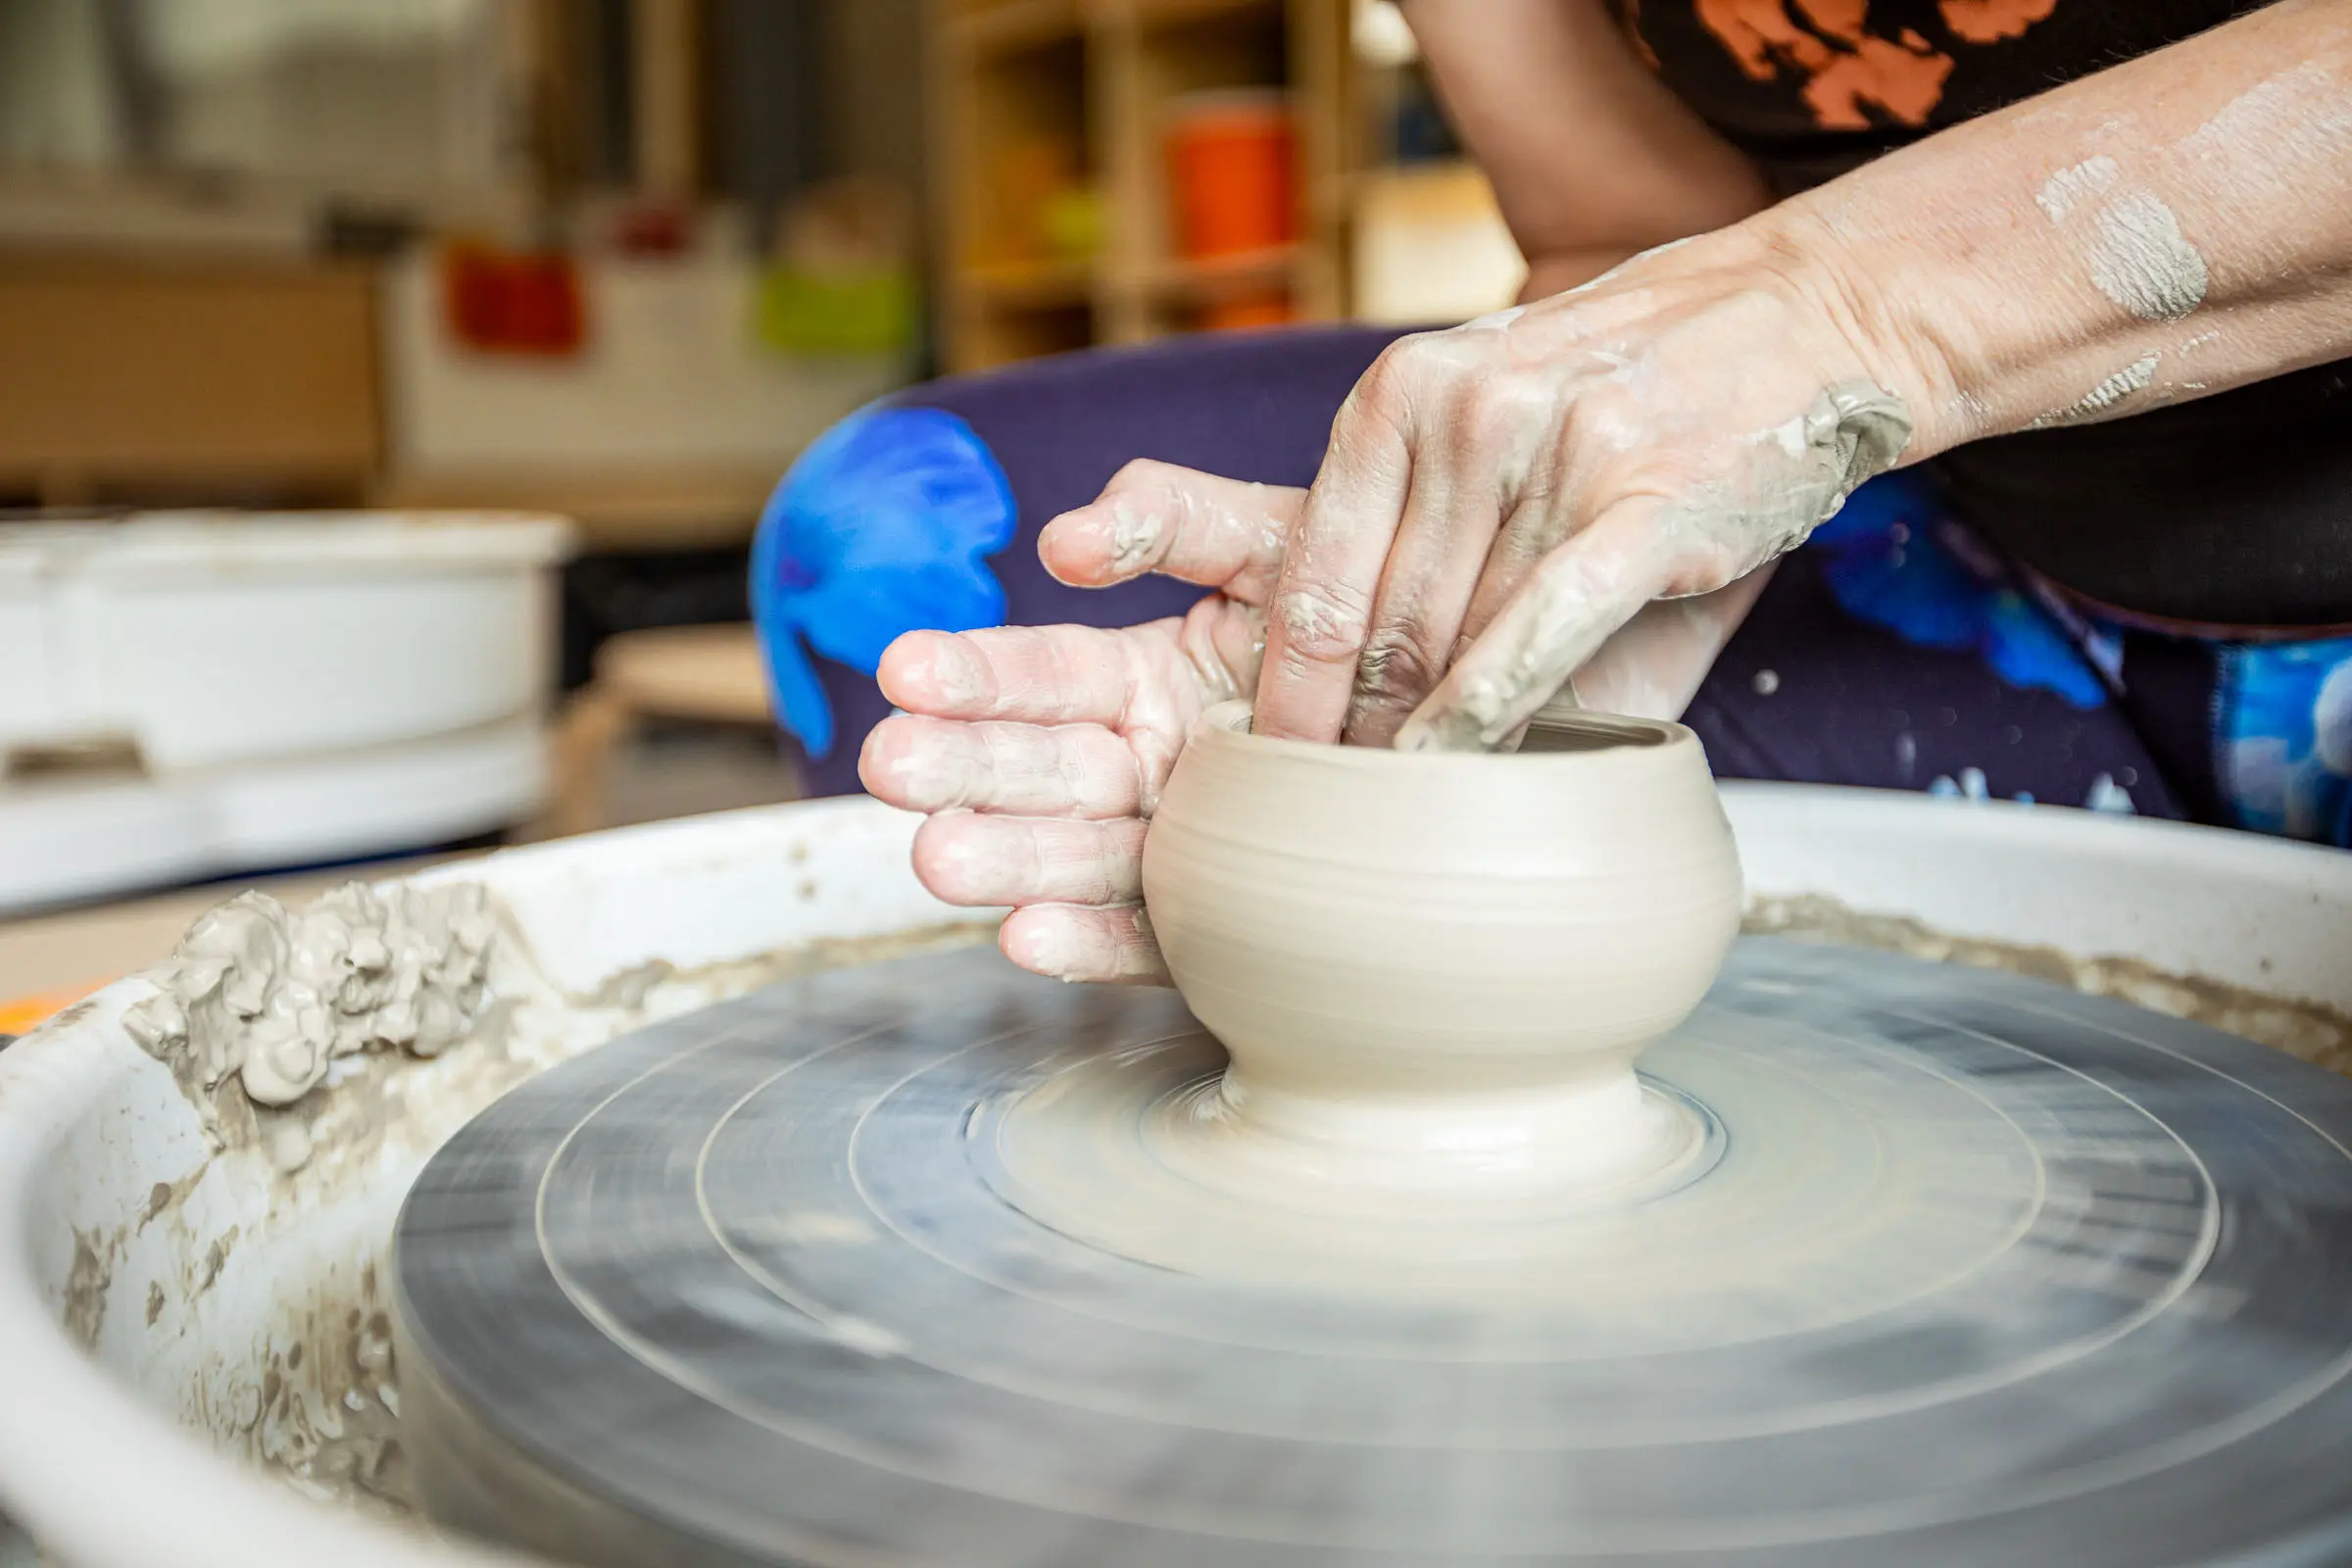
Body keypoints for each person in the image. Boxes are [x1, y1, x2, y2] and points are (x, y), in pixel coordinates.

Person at [856, 0, 2352, 985]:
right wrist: (1534, 585)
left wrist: (1847, 314)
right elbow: (1623, 224)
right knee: (905, 534)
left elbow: (1791, 323)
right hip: (1956, 531)